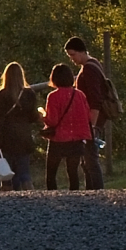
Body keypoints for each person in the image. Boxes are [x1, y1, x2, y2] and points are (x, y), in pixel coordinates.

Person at [64, 36, 108, 190]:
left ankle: (96, 190)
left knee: (90, 159)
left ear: (81, 52)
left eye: (73, 55)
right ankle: (91, 190)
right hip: (91, 119)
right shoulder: (94, 64)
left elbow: (95, 99)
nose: (72, 59)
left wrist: (93, 125)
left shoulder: (89, 69)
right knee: (86, 160)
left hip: (92, 120)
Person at [41, 62, 92, 191]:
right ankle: (74, 197)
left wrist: (42, 116)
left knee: (51, 173)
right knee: (73, 172)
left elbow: (52, 121)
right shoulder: (80, 95)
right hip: (77, 138)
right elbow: (87, 115)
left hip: (59, 139)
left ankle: (53, 197)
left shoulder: (53, 96)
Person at [0, 61, 38, 190]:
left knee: (6, 173)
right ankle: (30, 198)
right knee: (24, 172)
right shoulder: (29, 93)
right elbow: (33, 117)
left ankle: (8, 201)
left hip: (7, 137)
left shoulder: (2, 94)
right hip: (24, 136)